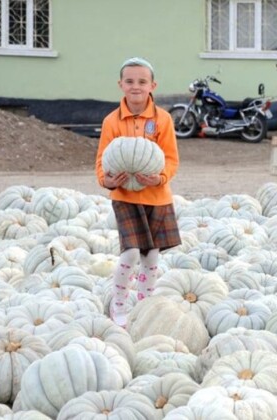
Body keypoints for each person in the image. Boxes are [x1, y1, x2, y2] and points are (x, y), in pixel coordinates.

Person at [95, 57, 181, 327]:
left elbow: (171, 158)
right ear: (121, 85)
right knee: (131, 252)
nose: (136, 86)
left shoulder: (163, 119)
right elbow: (101, 159)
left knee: (151, 255)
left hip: (157, 196)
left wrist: (160, 177)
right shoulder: (111, 121)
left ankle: (144, 304)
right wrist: (107, 181)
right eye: (130, 81)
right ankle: (118, 304)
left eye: (142, 82)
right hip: (125, 196)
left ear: (152, 85)